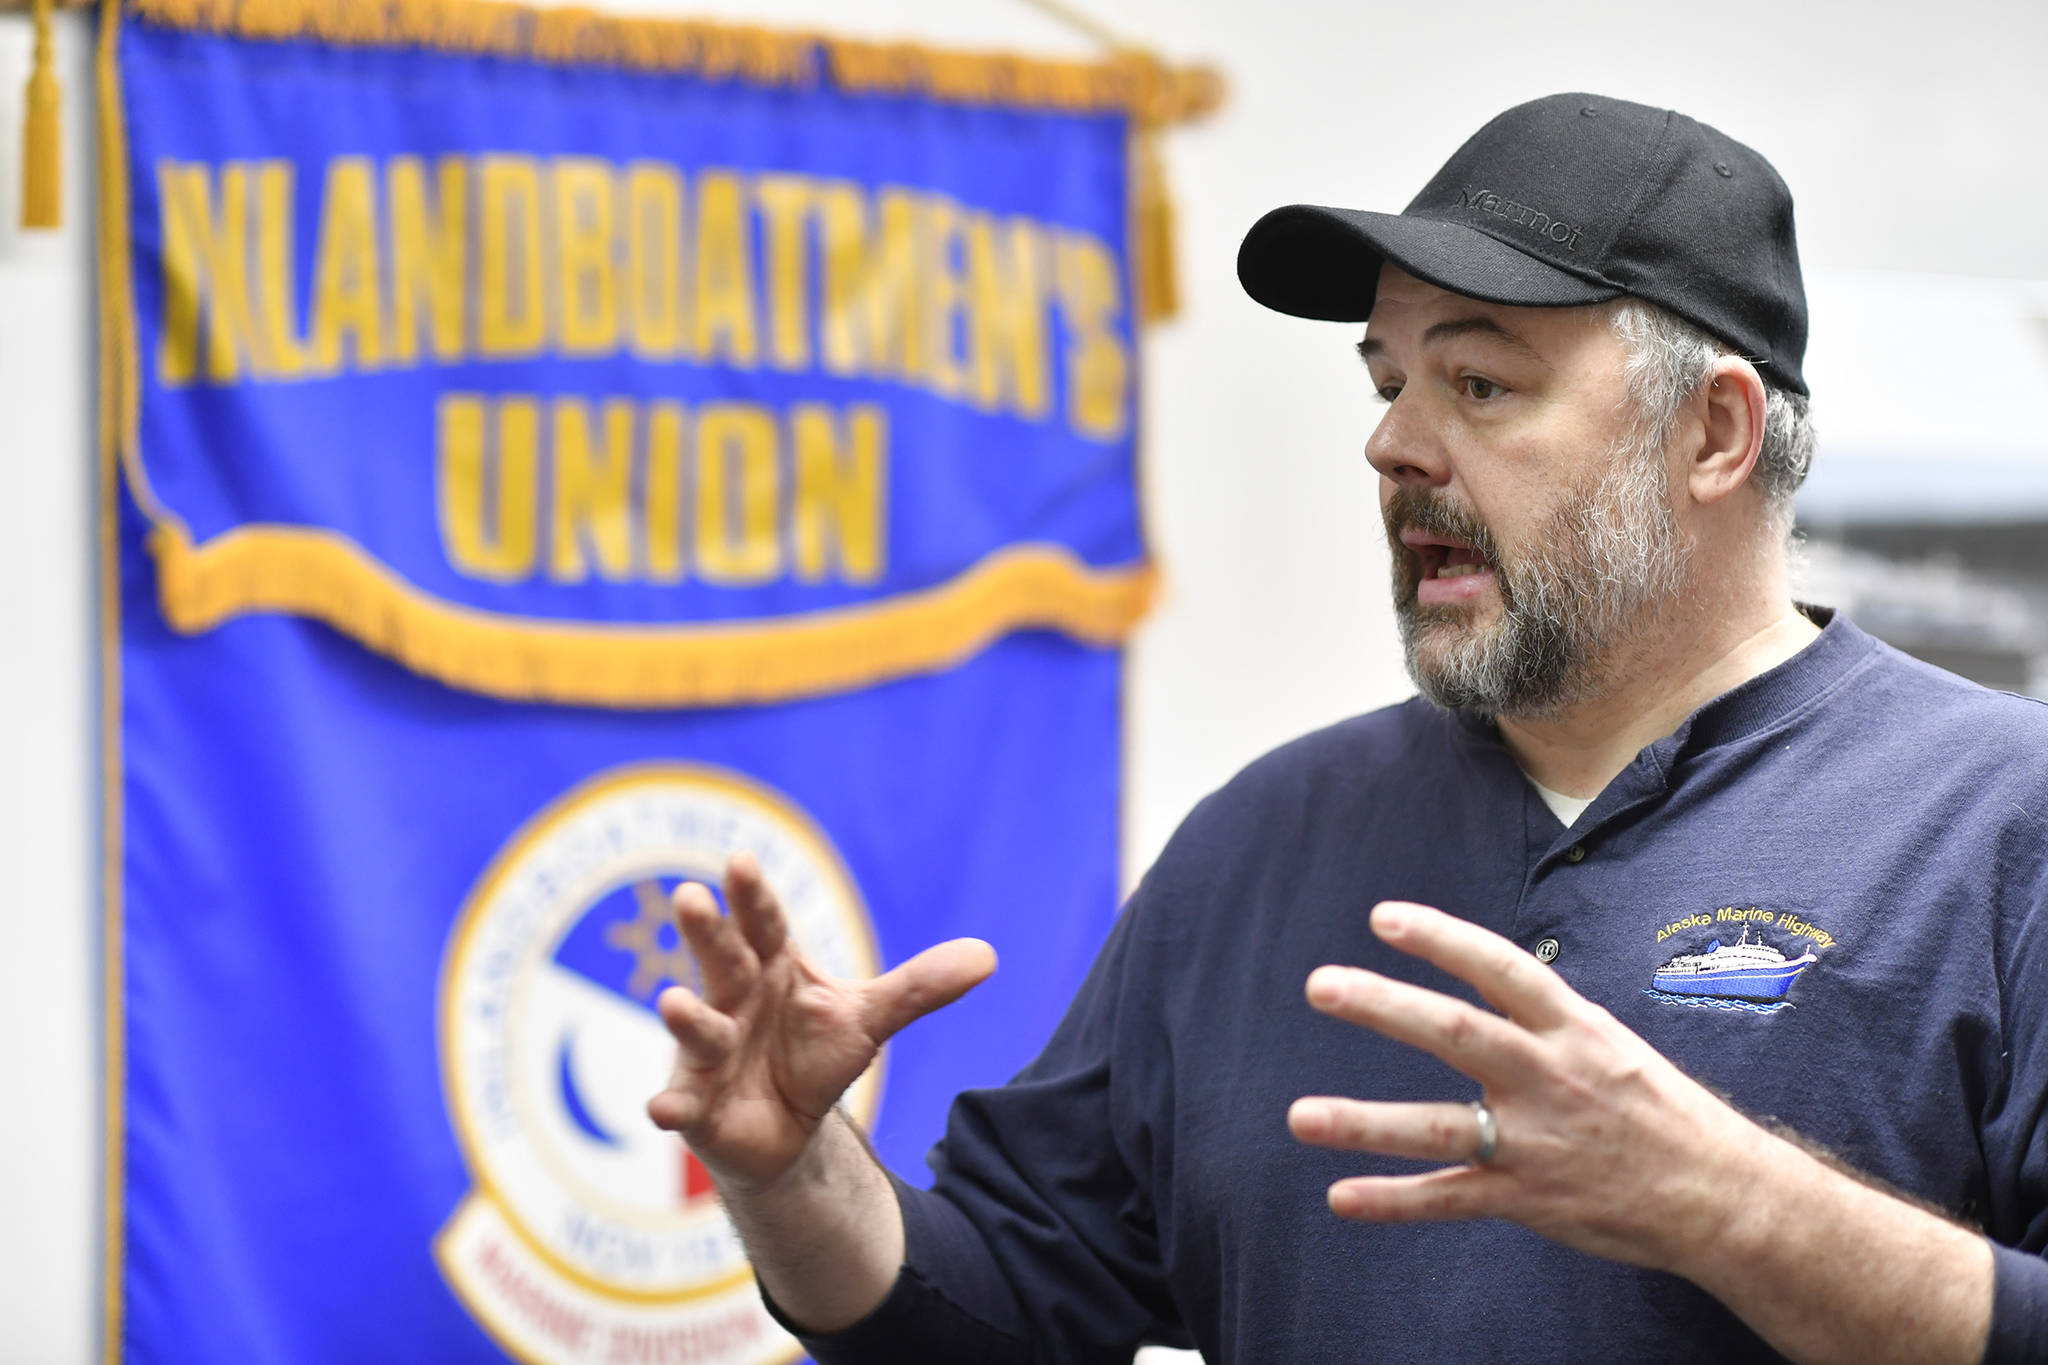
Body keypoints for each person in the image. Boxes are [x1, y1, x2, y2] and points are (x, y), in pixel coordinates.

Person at [645, 93, 2048, 1363]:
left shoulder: (1996, 826)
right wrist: (792, 1173)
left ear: (1715, 435)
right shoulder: (1267, 837)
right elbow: (1008, 1303)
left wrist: (1727, 1200)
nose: (1394, 446)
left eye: (1481, 383)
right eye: (1388, 383)